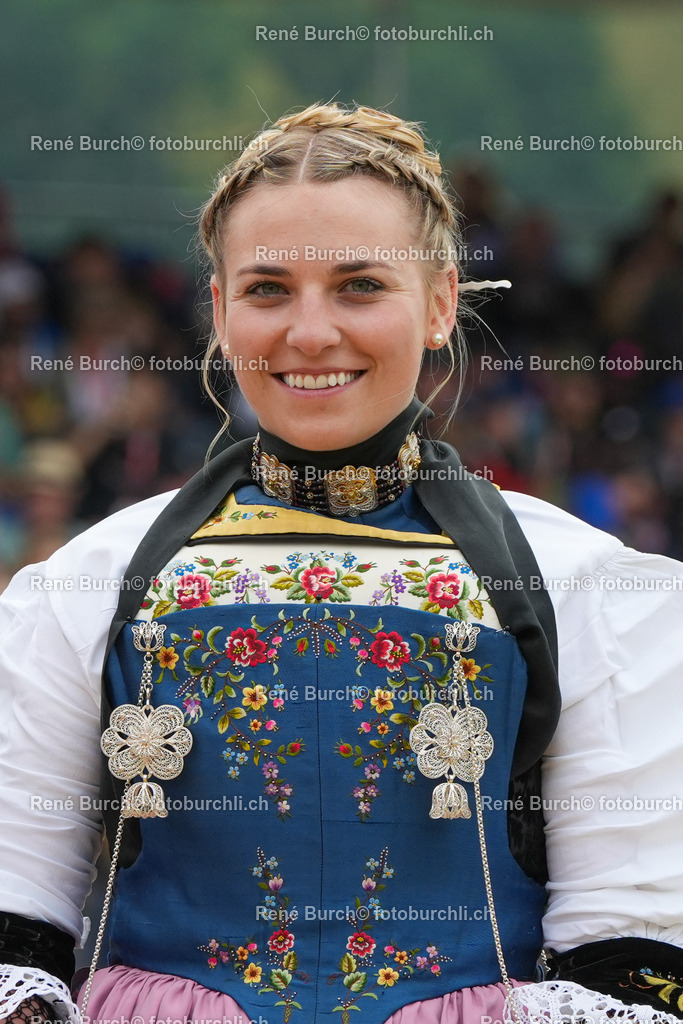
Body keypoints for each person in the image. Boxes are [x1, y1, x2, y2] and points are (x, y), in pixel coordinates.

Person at [1, 101, 683, 1024]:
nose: (311, 333)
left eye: (361, 285)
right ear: (217, 309)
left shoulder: (583, 588)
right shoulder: (89, 584)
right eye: (268, 288)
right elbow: (15, 922)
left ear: (441, 301)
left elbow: (632, 957)